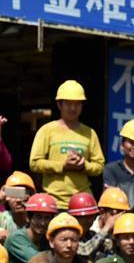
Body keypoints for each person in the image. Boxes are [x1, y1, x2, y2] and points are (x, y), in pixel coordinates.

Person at [29, 80, 105, 209]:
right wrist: (63, 166)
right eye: (68, 104)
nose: (73, 108)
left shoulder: (89, 133)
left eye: (77, 104)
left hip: (82, 202)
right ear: (59, 104)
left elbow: (99, 165)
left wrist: (83, 166)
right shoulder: (47, 130)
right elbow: (34, 163)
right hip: (53, 201)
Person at [4, 193, 58, 263]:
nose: (42, 223)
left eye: (47, 218)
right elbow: (39, 261)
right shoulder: (16, 238)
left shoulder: (46, 239)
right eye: (38, 217)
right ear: (29, 218)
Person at [0, 171, 35, 243]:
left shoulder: (38, 218)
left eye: (22, 194)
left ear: (32, 196)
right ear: (6, 197)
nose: (18, 200)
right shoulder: (1, 218)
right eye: (13, 194)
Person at [80, 187, 130, 261]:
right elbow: (84, 251)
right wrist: (106, 228)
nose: (118, 218)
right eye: (115, 213)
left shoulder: (124, 227)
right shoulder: (90, 228)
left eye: (122, 213)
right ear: (102, 212)